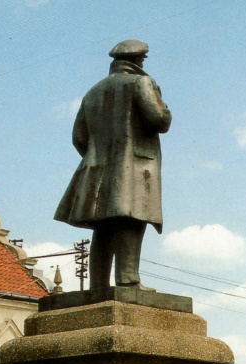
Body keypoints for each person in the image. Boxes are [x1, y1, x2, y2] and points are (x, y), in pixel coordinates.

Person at [54, 39, 172, 289]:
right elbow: (159, 120)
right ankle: (128, 280)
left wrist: (99, 156)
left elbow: (78, 137)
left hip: (97, 169)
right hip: (135, 167)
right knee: (131, 219)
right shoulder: (142, 82)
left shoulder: (94, 91)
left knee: (104, 227)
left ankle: (98, 284)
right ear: (138, 61)